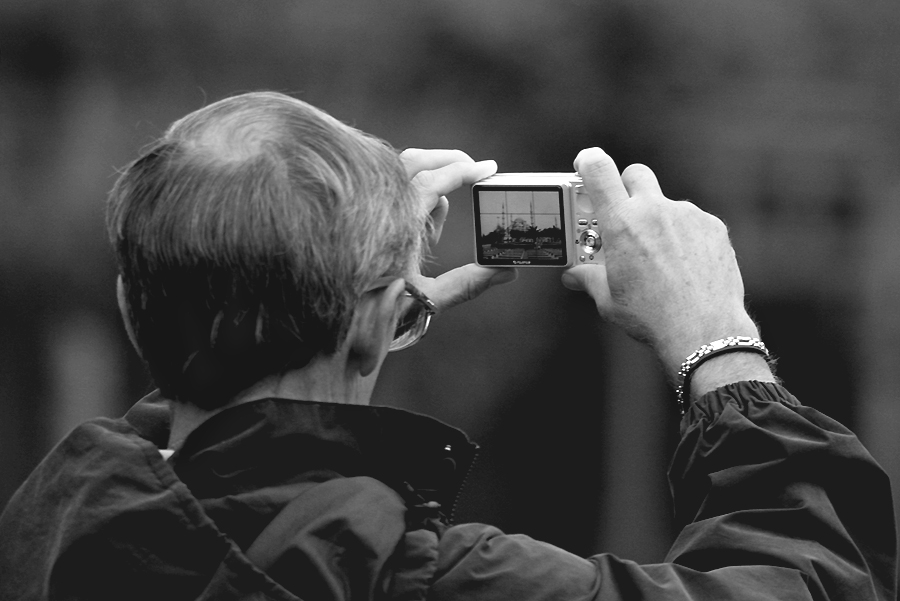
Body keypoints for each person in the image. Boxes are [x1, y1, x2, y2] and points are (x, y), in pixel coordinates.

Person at [0, 91, 895, 601]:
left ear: (129, 302)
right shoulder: (426, 580)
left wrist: (368, 313)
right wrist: (718, 345)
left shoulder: (55, 521)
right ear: (377, 320)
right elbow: (818, 580)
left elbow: (211, 448)